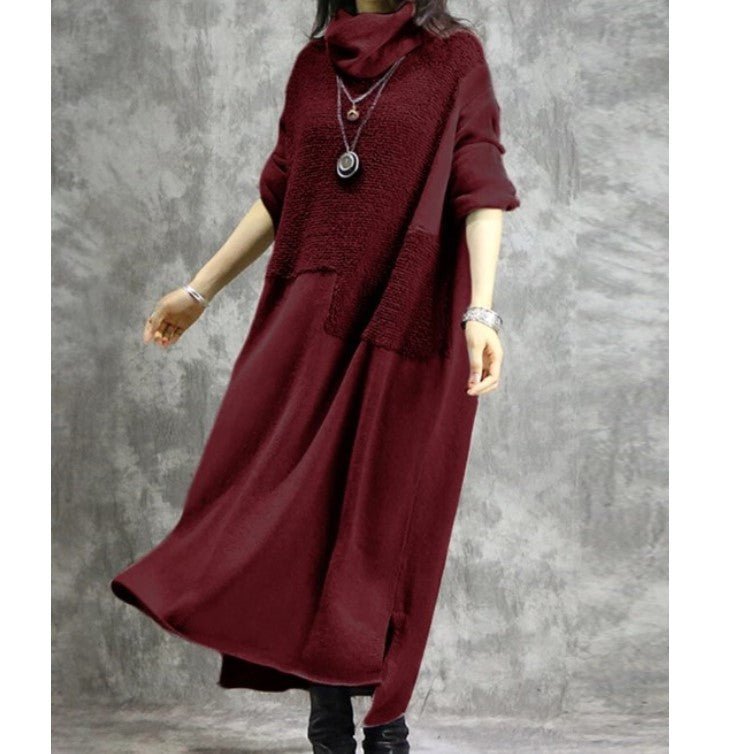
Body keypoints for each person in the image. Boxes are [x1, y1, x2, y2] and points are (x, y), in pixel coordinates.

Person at [110, 1, 520, 752]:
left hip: (405, 319)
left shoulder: (453, 56)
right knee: (300, 518)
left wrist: (481, 311)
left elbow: (480, 180)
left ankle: (385, 724)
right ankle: (328, 721)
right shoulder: (313, 67)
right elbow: (280, 190)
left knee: (384, 523)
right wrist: (197, 292)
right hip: (308, 317)